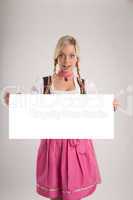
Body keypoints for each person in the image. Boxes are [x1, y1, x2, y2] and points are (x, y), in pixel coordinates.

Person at [3, 35, 120, 200]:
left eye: (71, 55)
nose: (66, 60)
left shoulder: (86, 86)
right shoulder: (43, 84)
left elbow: (98, 111)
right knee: (56, 197)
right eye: (62, 55)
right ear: (56, 57)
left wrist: (110, 106)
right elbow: (29, 107)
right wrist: (14, 101)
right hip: (53, 147)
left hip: (78, 147)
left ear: (77, 59)